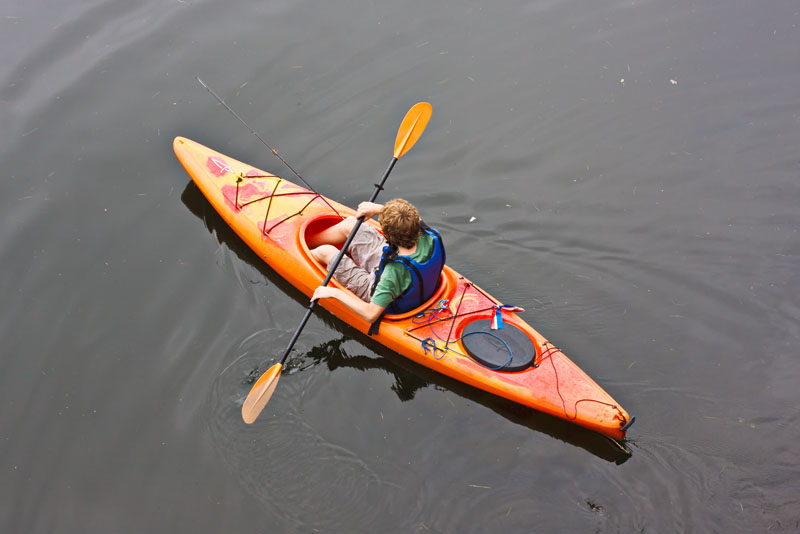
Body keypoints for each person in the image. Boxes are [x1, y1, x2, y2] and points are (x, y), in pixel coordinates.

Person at [309, 198, 445, 326]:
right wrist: (377, 209)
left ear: (387, 235)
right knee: (350, 225)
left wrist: (334, 293)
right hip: (406, 277)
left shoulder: (393, 272)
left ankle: (299, 251)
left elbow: (371, 314)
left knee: (325, 251)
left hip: (376, 290)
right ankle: (309, 240)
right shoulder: (429, 235)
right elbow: (408, 215)